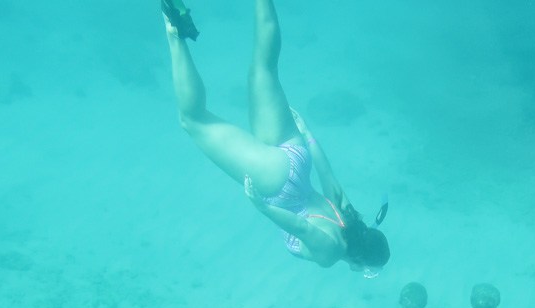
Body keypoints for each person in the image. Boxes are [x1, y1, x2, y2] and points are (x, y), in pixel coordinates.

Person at [161, 0, 390, 274]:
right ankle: (175, 29)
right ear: (360, 262)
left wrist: (307, 135)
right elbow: (303, 227)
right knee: (193, 120)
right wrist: (262, 208)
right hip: (276, 184)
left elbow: (328, 177)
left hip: (298, 157)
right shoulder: (331, 253)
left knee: (264, 67)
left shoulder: (349, 218)